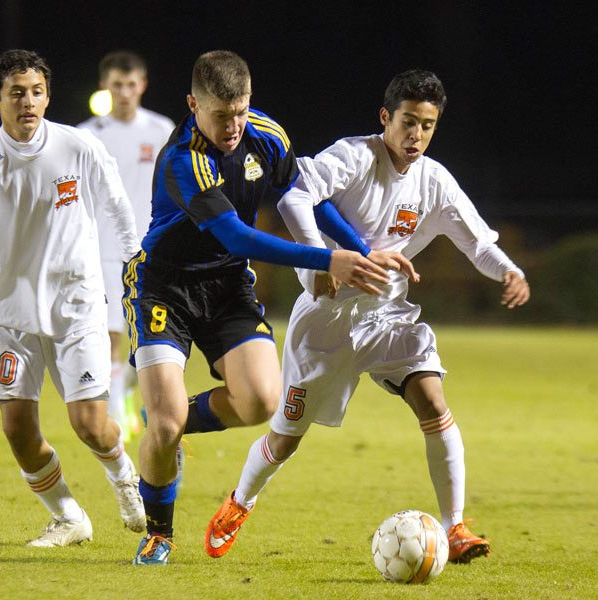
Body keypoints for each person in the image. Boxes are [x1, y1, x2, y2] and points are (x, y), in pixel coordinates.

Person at [205, 69, 530, 564]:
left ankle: (456, 526)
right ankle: (240, 501)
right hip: (326, 321)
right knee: (286, 437)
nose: (415, 135)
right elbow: (294, 195)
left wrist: (508, 271)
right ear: (386, 117)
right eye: (407, 122)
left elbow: (478, 244)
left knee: (433, 402)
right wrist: (319, 263)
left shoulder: (435, 182)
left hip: (389, 317)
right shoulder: (355, 156)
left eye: (427, 125)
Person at [126, 50, 415, 565]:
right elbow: (237, 237)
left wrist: (363, 252)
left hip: (227, 286)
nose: (234, 125)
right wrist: (328, 258)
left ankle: (164, 425)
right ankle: (160, 533)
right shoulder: (182, 159)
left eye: (241, 111)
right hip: (164, 287)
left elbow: (305, 194)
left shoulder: (267, 135)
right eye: (221, 115)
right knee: (165, 428)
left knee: (261, 401)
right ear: (194, 105)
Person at [0, 49, 147, 548]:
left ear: (47, 96)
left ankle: (124, 480)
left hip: (76, 307)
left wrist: (134, 259)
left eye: (36, 92)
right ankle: (69, 516)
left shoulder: (79, 147)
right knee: (17, 428)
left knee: (90, 424)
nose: (28, 102)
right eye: (16, 93)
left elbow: (117, 207)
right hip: (9, 312)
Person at [78, 51, 175, 441]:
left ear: (143, 86)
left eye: (131, 84)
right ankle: (118, 408)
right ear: (106, 86)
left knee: (153, 331)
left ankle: (128, 387)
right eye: (117, 85)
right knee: (111, 332)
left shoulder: (161, 129)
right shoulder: (86, 135)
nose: (124, 92)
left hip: (152, 246)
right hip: (102, 246)